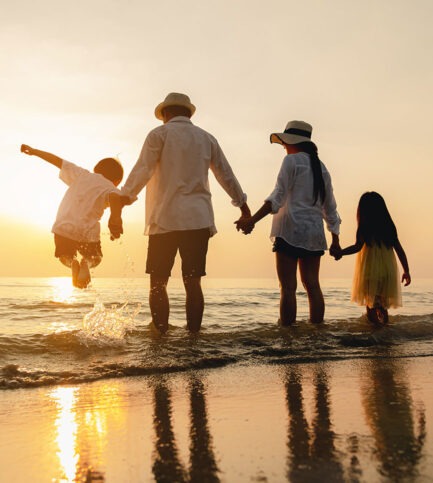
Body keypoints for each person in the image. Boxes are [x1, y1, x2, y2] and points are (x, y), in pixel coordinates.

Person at [109, 92, 250, 334]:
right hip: (198, 219)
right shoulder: (207, 139)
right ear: (188, 113)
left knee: (157, 283)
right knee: (193, 282)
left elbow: (142, 170)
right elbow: (225, 174)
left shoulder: (159, 134)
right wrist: (243, 208)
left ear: (165, 113)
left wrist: (124, 199)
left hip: (164, 219)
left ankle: (161, 338)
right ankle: (193, 338)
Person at [236, 120, 341, 325]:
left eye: (285, 143)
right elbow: (330, 207)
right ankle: (317, 333)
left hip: (290, 231)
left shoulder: (291, 162)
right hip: (313, 233)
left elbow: (277, 198)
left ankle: (288, 335)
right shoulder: (322, 167)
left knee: (288, 287)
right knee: (312, 285)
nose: (283, 146)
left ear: (293, 142)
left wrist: (252, 220)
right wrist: (335, 239)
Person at [21, 144, 123, 288]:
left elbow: (57, 161)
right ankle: (85, 263)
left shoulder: (82, 174)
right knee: (95, 258)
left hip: (63, 227)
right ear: (117, 181)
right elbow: (114, 197)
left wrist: (34, 151)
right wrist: (115, 217)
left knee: (64, 256)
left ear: (96, 169)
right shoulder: (111, 188)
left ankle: (73, 262)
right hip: (87, 231)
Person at [332, 191, 411, 324]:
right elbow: (399, 250)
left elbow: (357, 247)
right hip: (387, 272)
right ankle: (385, 330)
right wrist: (406, 271)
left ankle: (375, 333)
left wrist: (341, 253)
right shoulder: (389, 227)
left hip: (370, 272)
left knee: (371, 305)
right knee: (382, 305)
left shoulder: (364, 227)